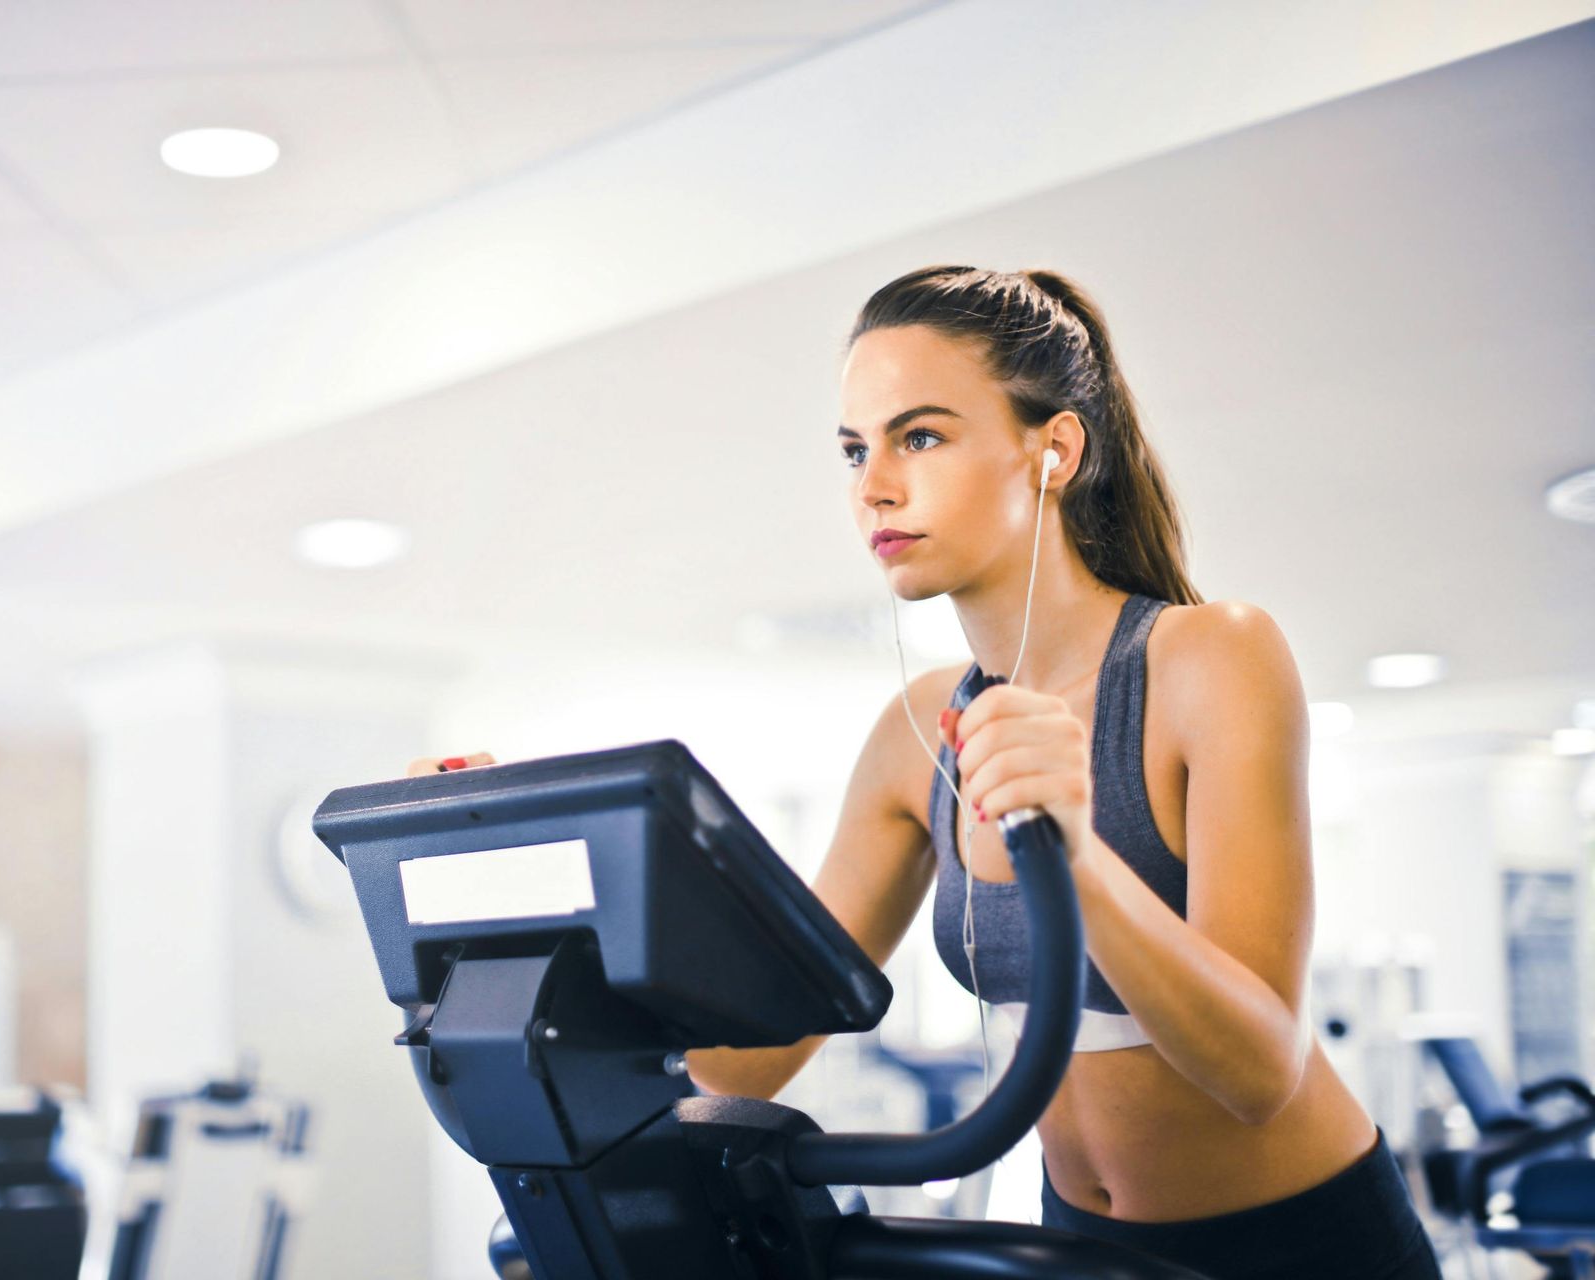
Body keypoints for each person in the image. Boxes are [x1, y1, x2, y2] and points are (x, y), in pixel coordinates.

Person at [411, 266, 1442, 1280]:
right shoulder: (918, 735)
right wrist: (506, 918)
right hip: (1079, 1245)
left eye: (921, 435)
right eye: (857, 448)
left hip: (1306, 1240)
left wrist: (1075, 851)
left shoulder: (1208, 657)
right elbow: (759, 1050)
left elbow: (1262, 1070)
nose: (874, 485)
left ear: (1054, 449)